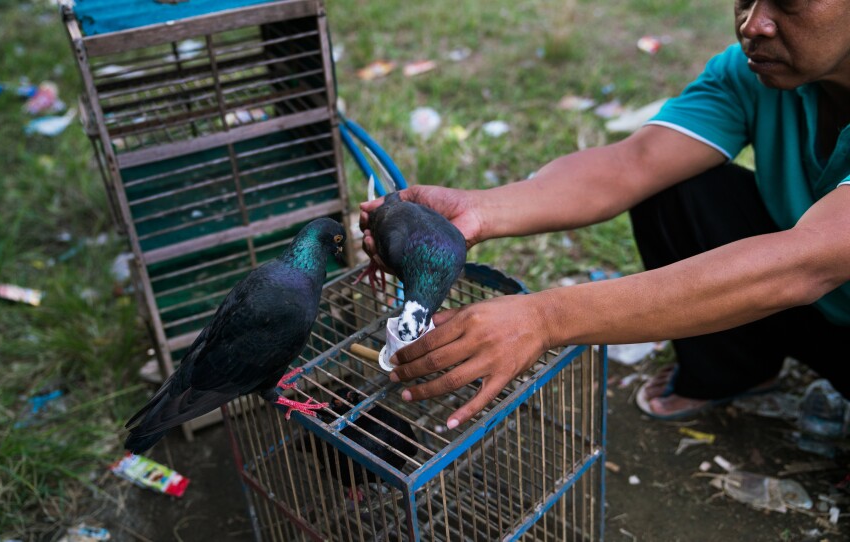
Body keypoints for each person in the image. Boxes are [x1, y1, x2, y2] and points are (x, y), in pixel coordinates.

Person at [359, 0, 850, 430]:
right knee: (681, 186)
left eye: (789, 2)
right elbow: (634, 163)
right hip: (820, 303)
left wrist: (546, 318)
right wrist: (479, 209)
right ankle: (739, 368)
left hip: (815, 284)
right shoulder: (753, 72)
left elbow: (804, 262)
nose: (754, 23)